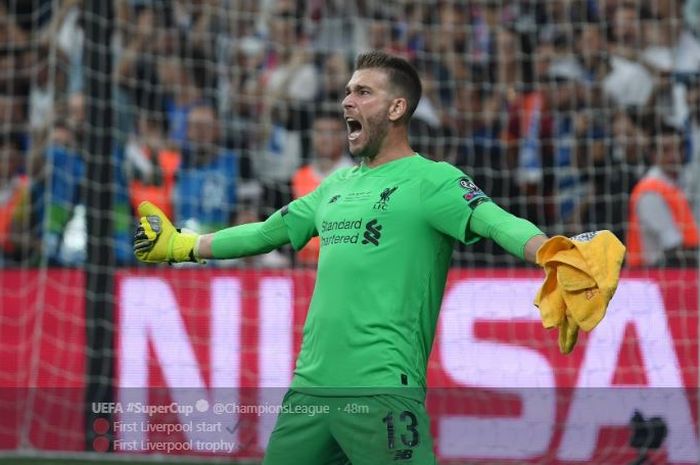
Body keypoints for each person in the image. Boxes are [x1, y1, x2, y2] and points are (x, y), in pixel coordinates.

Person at [133, 51, 559, 465]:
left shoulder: (435, 180)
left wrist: (549, 251)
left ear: (396, 108)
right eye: (348, 91)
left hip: (381, 389)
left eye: (362, 92)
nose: (347, 102)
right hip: (309, 391)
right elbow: (265, 233)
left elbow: (497, 222)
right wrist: (182, 246)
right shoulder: (334, 186)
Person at [627, 123, 699, 267]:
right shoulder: (650, 192)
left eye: (678, 149)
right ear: (653, 155)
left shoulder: (675, 184)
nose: (675, 156)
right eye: (666, 150)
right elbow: (673, 246)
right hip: (655, 275)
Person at [291, 108, 354, 265]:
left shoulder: (356, 175)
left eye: (333, 132)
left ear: (345, 136)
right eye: (320, 132)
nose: (325, 139)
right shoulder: (300, 176)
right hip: (303, 266)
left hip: (341, 264)